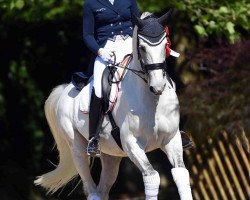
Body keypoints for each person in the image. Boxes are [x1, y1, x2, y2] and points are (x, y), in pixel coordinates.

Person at [83, 0, 140, 157]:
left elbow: (138, 23)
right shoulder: (90, 4)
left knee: (155, 71)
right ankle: (93, 138)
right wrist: (99, 51)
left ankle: (174, 127)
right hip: (107, 49)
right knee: (100, 89)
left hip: (131, 45)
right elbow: (87, 35)